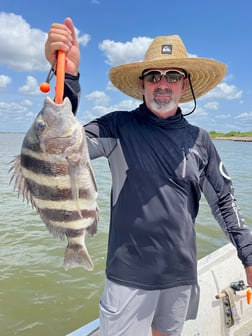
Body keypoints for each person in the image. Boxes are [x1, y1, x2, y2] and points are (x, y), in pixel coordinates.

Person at [45, 17, 252, 336]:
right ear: (142, 85)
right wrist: (67, 77)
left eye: (173, 75)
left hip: (180, 277)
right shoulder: (116, 127)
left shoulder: (202, 141)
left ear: (185, 86)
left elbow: (225, 203)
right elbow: (60, 147)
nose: (163, 83)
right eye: (154, 75)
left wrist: (248, 255)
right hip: (127, 279)